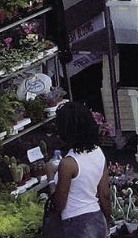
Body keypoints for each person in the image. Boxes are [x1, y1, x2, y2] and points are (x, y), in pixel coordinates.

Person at [45, 102, 113, 238]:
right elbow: (104, 194)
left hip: (75, 224)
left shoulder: (68, 163)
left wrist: (51, 178)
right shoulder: (98, 152)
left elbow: (59, 205)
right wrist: (108, 219)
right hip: (96, 218)